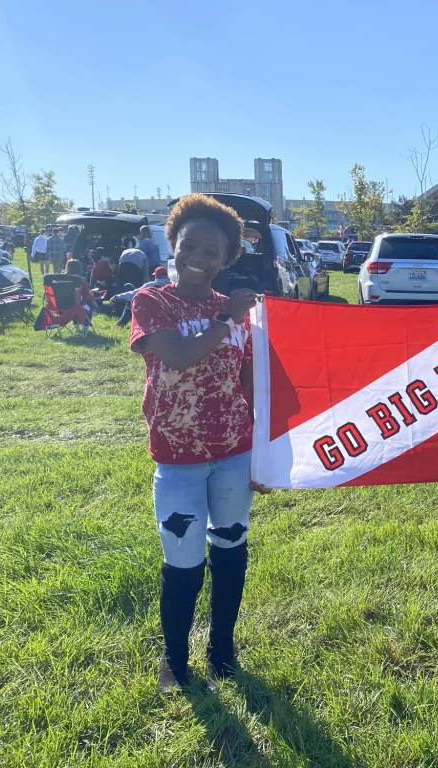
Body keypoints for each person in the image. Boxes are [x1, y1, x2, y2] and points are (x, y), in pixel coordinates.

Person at [129, 193, 265, 694]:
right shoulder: (152, 301)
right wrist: (226, 317)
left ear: (227, 259)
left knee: (230, 550)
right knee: (182, 563)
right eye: (190, 245)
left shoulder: (235, 312)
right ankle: (175, 656)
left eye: (213, 251)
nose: (198, 257)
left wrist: (265, 451)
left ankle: (222, 649)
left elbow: (251, 379)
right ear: (173, 244)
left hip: (233, 453)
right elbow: (180, 357)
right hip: (178, 460)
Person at [63, 259, 95, 332]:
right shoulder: (81, 279)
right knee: (89, 304)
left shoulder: (59, 278)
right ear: (79, 268)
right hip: (76, 306)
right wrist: (92, 293)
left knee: (75, 301)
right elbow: (87, 294)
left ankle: (77, 328)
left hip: (60, 306)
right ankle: (85, 330)